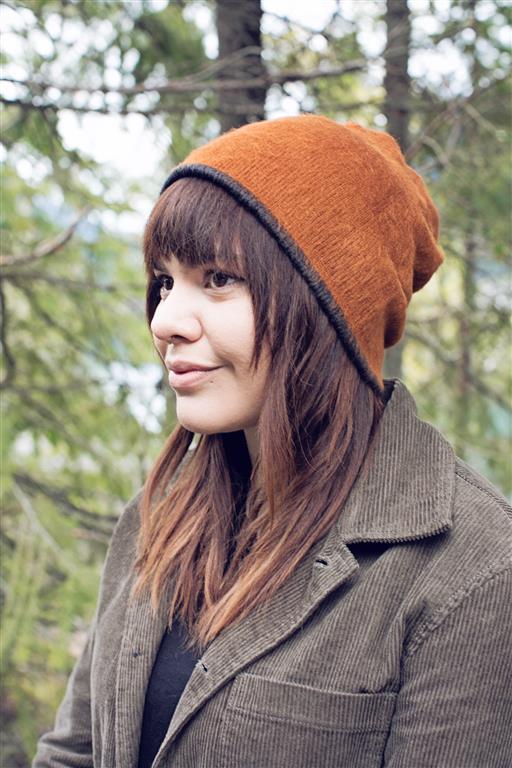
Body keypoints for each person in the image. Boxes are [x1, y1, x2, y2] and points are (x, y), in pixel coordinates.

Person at [33, 115, 511, 768]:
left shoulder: (473, 572)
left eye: (218, 278)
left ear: (328, 308)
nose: (165, 320)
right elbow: (74, 752)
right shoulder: (159, 517)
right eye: (165, 280)